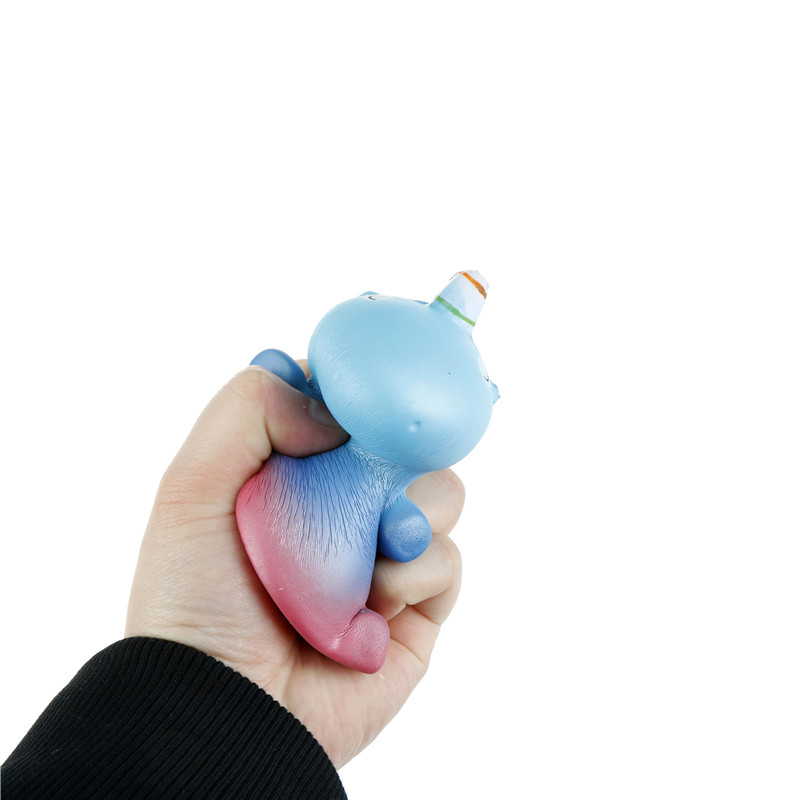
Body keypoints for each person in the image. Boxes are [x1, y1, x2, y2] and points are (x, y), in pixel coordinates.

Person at [2, 364, 465, 798]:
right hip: (293, 548)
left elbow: (405, 534)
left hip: (297, 548)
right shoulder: (310, 411)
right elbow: (404, 533)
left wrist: (237, 709)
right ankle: (346, 631)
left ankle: (346, 630)